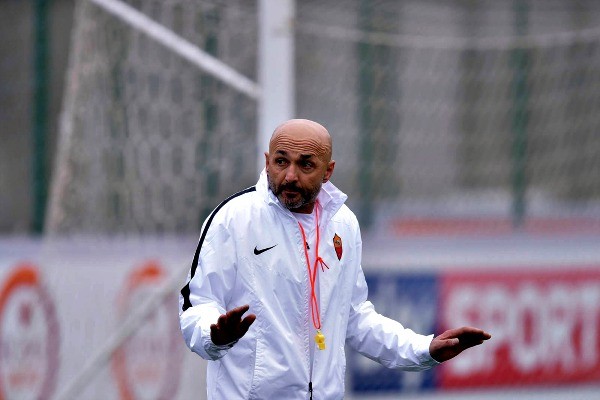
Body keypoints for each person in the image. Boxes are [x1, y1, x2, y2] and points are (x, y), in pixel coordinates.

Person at [179, 119, 491, 399]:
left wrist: (424, 350)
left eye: (306, 164)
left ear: (328, 171)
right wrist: (214, 336)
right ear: (267, 161)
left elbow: (354, 317)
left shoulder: (343, 223)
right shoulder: (233, 218)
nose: (290, 175)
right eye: (281, 161)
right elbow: (198, 304)